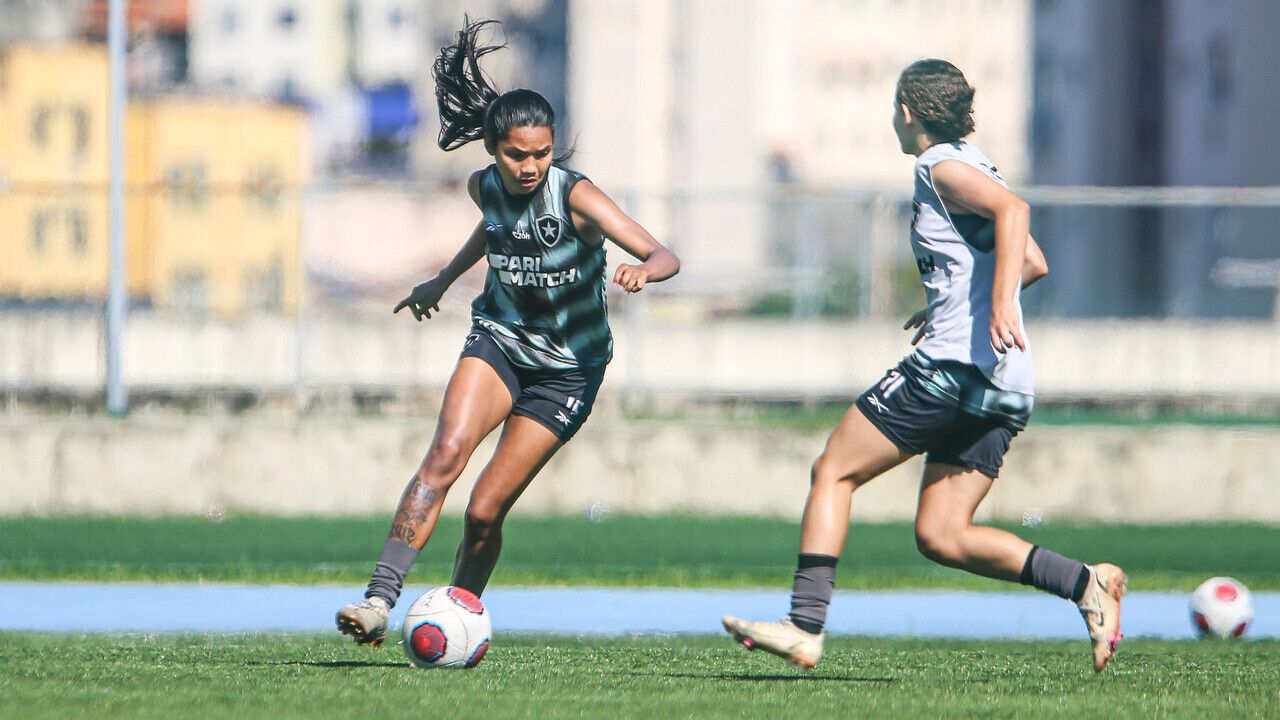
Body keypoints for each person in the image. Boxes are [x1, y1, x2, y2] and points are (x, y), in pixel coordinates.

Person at [722, 59, 1125, 673]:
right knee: (942, 534)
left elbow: (1015, 213)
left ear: (907, 111)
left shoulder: (936, 165)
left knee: (833, 471)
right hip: (1007, 383)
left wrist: (994, 306)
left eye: (894, 106)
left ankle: (804, 626)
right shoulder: (976, 161)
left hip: (954, 368)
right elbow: (1034, 262)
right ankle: (1086, 584)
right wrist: (958, 302)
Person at [336, 17, 680, 648]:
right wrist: (442, 281)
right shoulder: (484, 187)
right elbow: (492, 230)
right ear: (494, 150)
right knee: (444, 456)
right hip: (498, 340)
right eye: (517, 154)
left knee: (484, 509)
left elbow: (664, 254)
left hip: (567, 373)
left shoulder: (577, 197)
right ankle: (378, 600)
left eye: (541, 153)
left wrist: (643, 271)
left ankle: (458, 613)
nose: (530, 166)